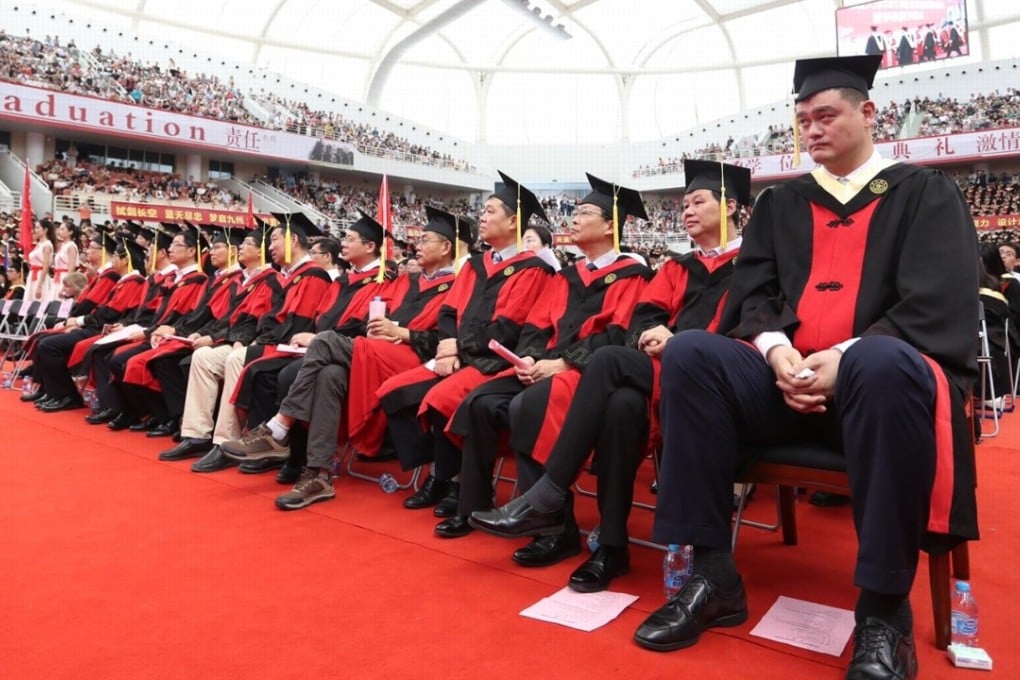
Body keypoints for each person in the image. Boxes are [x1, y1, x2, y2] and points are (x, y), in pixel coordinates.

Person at [632, 55, 978, 680]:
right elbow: (754, 298)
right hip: (783, 384)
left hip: (878, 395)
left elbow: (934, 303)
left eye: (826, 116)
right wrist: (779, 352)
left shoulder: (926, 194)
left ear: (868, 114)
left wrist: (841, 358)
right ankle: (712, 575)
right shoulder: (780, 204)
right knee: (690, 353)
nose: (812, 130)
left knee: (877, 360)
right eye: (802, 121)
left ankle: (882, 614)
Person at [469, 161, 749, 586]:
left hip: (710, 380)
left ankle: (547, 496)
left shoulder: (752, 265)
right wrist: (652, 334)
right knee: (620, 407)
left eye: (698, 202)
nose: (686, 210)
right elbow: (641, 320)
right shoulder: (676, 267)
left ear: (731, 208)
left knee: (606, 370)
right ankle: (612, 547)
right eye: (684, 203)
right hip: (653, 373)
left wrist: (674, 341)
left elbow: (750, 326)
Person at [447, 173, 654, 552]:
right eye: (575, 211)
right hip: (546, 367)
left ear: (611, 225)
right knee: (481, 401)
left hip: (587, 373)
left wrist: (564, 364)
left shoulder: (634, 275)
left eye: (585, 212)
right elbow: (537, 324)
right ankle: (473, 505)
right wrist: (530, 357)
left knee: (528, 406)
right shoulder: (566, 276)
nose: (573, 218)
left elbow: (620, 336)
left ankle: (555, 528)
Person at [221, 207, 465, 508]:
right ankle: (318, 474)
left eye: (425, 239)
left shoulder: (460, 284)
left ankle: (279, 427)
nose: (417, 245)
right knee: (329, 375)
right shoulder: (406, 281)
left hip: (412, 360)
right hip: (377, 351)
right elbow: (372, 319)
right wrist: (379, 328)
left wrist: (402, 334)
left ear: (446, 247)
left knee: (323, 343)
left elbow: (450, 341)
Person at [376, 172, 554, 526]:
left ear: (513, 221)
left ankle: (452, 482)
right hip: (456, 356)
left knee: (443, 400)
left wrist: (459, 349)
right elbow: (448, 311)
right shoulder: (474, 265)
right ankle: (442, 473)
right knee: (393, 393)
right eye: (483, 211)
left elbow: (509, 327)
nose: (482, 218)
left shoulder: (533, 269)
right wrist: (447, 347)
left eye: (490, 211)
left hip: (493, 362)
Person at [26, 218, 56, 302]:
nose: (35, 230)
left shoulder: (47, 245)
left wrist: (39, 286)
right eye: (35, 228)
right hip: (32, 274)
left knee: (39, 301)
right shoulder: (38, 244)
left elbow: (46, 267)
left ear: (45, 230)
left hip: (40, 276)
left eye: (38, 228)